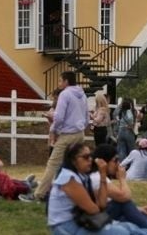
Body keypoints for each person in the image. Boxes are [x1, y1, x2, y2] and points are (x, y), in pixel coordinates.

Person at [46, 142, 147, 234]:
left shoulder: (81, 176)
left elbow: (102, 205)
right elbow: (93, 209)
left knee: (129, 227)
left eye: (90, 156)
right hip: (67, 226)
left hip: (82, 221)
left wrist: (103, 176)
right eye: (85, 157)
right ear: (73, 160)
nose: (90, 160)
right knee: (122, 232)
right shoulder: (69, 179)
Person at [24, 71, 88, 202]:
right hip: (80, 134)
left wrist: (54, 130)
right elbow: (86, 116)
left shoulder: (65, 94)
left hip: (67, 134)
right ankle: (79, 192)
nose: (59, 83)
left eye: (60, 80)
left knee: (53, 164)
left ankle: (38, 195)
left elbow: (59, 117)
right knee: (75, 165)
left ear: (66, 81)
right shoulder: (82, 95)